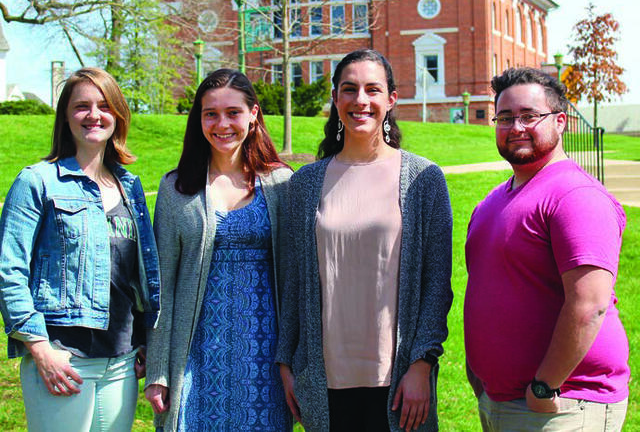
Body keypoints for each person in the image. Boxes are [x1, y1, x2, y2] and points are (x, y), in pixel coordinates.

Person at [276, 49, 453, 432]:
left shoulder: (424, 180)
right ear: (335, 98)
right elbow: (293, 283)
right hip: (324, 383)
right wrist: (287, 362)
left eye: (372, 90)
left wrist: (423, 363)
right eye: (349, 89)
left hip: (401, 383)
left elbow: (437, 284)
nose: (360, 101)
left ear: (391, 98)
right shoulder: (305, 184)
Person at [464, 67, 630, 431]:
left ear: (560, 122)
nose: (516, 127)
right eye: (505, 117)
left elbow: (589, 305)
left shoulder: (576, 196)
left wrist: (544, 386)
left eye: (529, 116)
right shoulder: (490, 203)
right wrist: (476, 369)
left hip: (561, 404)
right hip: (501, 400)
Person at [0, 68, 161, 432]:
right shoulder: (37, 181)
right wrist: (40, 347)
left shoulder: (129, 186)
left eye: (104, 106)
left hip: (121, 360)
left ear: (117, 115)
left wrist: (143, 340)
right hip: (63, 357)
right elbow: (9, 270)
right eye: (81, 106)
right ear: (65, 117)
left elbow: (135, 272)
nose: (93, 115)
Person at [144, 69, 292, 431]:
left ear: (253, 114)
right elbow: (161, 283)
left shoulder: (283, 183)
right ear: (199, 120)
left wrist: (294, 360)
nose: (222, 123)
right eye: (210, 113)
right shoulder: (176, 188)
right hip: (194, 352)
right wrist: (158, 368)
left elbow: (296, 280)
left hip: (264, 355)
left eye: (233, 113)